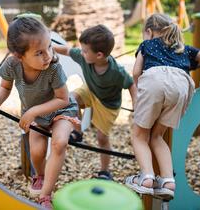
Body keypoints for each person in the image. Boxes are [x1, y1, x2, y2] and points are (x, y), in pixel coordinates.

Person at [0, 16, 80, 209]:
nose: (48, 56)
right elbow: (5, 88)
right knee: (37, 151)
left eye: (49, 47)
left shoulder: (53, 68)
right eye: (39, 53)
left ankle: (46, 195)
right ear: (19, 55)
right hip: (36, 116)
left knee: (59, 143)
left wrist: (33, 111)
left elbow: (63, 99)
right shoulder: (12, 65)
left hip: (61, 110)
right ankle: (40, 175)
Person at [125, 13, 200, 200]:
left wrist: (140, 97)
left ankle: (146, 178)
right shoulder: (184, 49)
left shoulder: (147, 45)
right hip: (181, 85)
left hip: (154, 81)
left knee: (139, 135)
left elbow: (135, 72)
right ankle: (167, 182)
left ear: (148, 32)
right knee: (157, 136)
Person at [53, 24, 137, 180]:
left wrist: (136, 105)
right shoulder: (84, 57)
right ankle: (77, 132)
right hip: (91, 90)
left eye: (85, 51)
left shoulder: (116, 72)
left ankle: (105, 171)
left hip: (108, 105)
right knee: (71, 98)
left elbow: (131, 84)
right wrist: (49, 47)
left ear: (99, 55)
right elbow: (65, 50)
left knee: (101, 138)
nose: (82, 53)